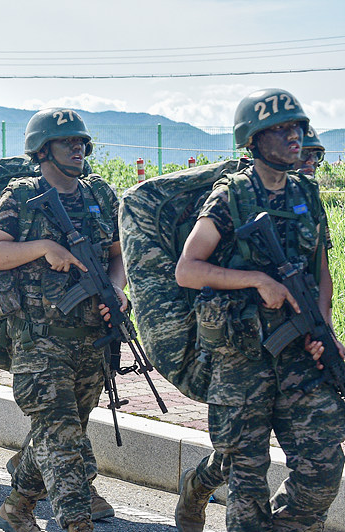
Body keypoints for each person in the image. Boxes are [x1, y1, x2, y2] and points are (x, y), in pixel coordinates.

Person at [175, 88, 345, 531]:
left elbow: (320, 270)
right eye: (282, 129)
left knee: (323, 468)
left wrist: (323, 329)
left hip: (297, 351)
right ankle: (197, 486)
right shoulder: (230, 196)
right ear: (252, 140)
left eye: (298, 127)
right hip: (242, 357)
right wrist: (256, 280)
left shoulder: (306, 191)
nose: (295, 136)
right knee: (246, 480)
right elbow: (188, 270)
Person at [0, 108, 123, 532]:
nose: (78, 148)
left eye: (81, 142)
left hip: (91, 340)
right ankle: (77, 524)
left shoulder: (100, 195)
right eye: (67, 142)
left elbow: (117, 255)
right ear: (42, 150)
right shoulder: (21, 196)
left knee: (61, 433)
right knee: (63, 445)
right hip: (40, 342)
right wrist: (42, 246)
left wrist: (116, 289)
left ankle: (17, 505)